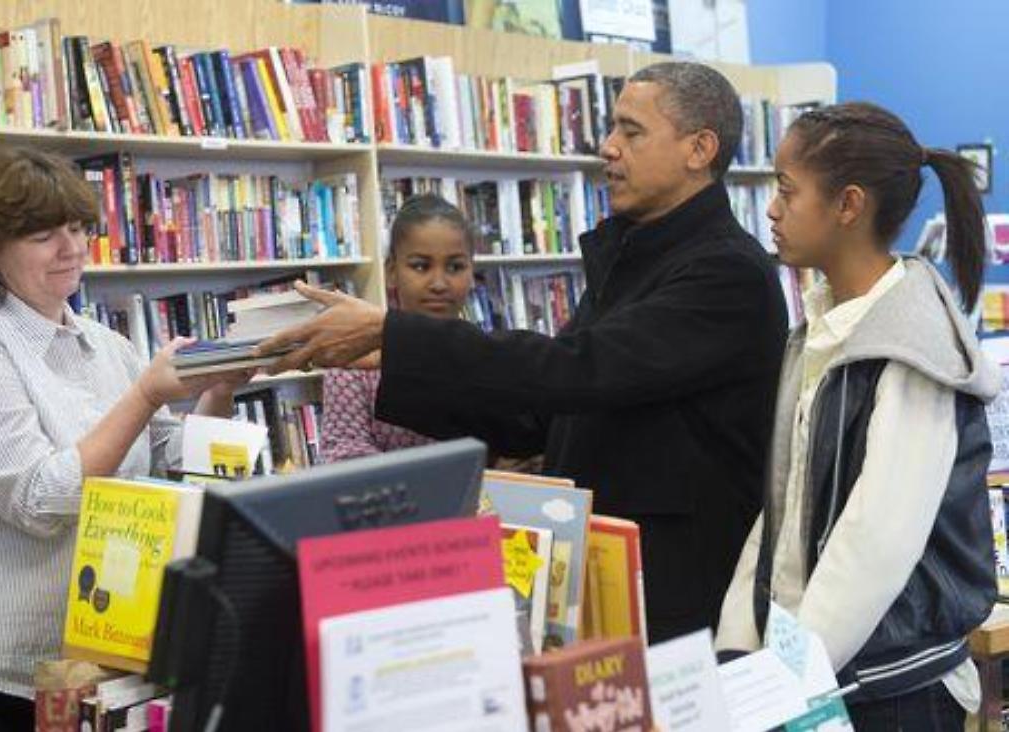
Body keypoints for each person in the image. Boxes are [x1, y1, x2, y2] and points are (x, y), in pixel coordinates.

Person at [258, 62, 789, 642]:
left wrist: (396, 336)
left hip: (673, 601)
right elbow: (539, 414)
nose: (608, 148)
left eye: (631, 132)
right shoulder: (639, 257)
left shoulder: (725, 272)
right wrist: (393, 360)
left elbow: (582, 369)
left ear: (698, 148)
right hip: (597, 583)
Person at [0, 146, 251, 731]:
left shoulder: (106, 345)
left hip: (75, 670)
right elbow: (41, 501)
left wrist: (223, 390)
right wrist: (146, 395)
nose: (72, 248)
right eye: (43, 234)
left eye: (79, 228)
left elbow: (175, 466)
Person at [715, 102, 998, 730]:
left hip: (892, 691)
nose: (772, 208)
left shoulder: (909, 347)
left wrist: (782, 684)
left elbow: (876, 542)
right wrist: (739, 639)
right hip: (816, 672)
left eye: (788, 191)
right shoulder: (820, 328)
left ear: (848, 205)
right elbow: (785, 509)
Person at [321, 194, 475, 462]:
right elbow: (343, 455)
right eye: (420, 266)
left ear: (472, 272)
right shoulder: (355, 362)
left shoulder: (490, 356)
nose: (439, 283)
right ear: (392, 271)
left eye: (455, 267)